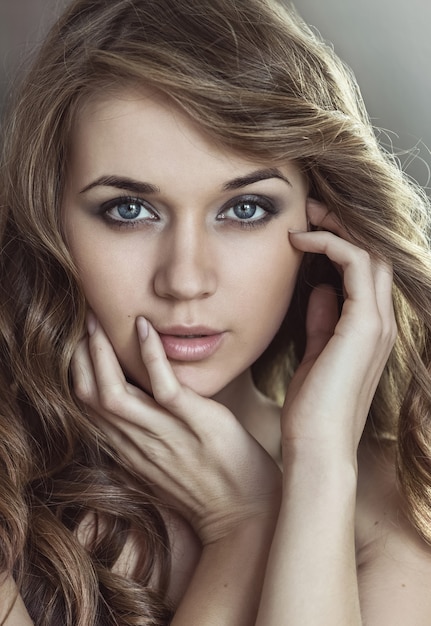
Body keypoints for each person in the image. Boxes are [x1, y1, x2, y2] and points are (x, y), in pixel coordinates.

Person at [1, 0, 431, 623]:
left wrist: (315, 469)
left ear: (324, 229)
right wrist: (244, 526)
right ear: (50, 220)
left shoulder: (393, 500)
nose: (185, 280)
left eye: (245, 209)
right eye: (128, 210)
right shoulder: (13, 496)